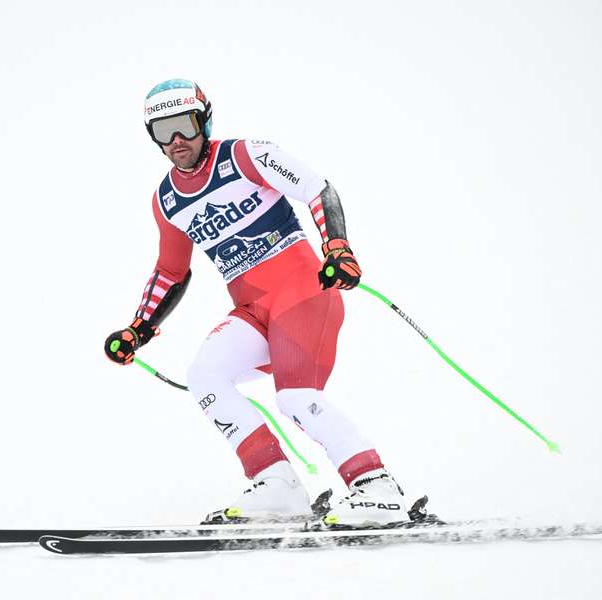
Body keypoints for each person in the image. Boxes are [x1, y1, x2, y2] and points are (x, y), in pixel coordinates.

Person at [104, 79, 410, 526]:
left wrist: (338, 248)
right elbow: (171, 271)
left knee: (296, 397)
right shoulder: (167, 200)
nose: (176, 141)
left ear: (204, 120)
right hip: (252, 310)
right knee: (205, 377)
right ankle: (277, 486)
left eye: (184, 126)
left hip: (303, 291)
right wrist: (138, 329)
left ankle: (376, 486)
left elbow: (317, 189)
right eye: (162, 130)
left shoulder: (247, 155)